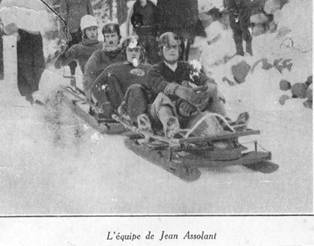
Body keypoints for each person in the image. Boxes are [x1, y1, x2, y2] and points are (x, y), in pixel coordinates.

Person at [121, 32, 227, 137]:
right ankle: (170, 127)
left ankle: (223, 121)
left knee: (211, 89)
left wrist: (208, 89)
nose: (172, 50)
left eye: (174, 47)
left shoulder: (188, 68)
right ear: (160, 51)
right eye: (167, 47)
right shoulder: (154, 71)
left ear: (179, 50)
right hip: (159, 113)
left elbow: (204, 79)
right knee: (162, 98)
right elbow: (161, 85)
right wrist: (179, 90)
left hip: (183, 110)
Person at [90, 36, 152, 119]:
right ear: (124, 52)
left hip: (147, 107)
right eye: (130, 50)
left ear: (141, 52)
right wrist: (104, 103)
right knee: (135, 89)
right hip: (124, 108)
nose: (133, 53)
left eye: (136, 50)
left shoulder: (149, 69)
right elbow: (96, 86)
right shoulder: (114, 68)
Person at [54, 15, 102, 85]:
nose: (92, 33)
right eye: (89, 30)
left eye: (94, 29)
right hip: (91, 84)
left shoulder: (103, 45)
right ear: (84, 32)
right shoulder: (78, 48)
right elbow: (58, 65)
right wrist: (63, 52)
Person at [83, 22, 125, 94]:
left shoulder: (125, 53)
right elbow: (89, 71)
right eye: (107, 36)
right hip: (106, 93)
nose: (110, 39)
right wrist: (89, 88)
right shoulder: (98, 55)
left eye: (113, 36)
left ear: (119, 36)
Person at [60, 0, 94, 77]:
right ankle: (72, 76)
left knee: (85, 54)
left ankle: (87, 77)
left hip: (85, 29)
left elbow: (90, 12)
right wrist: (65, 31)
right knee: (72, 53)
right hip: (72, 30)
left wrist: (92, 27)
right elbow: (63, 15)